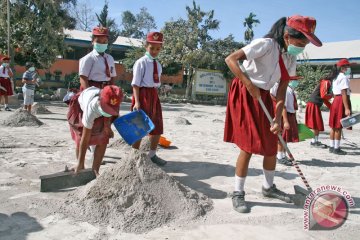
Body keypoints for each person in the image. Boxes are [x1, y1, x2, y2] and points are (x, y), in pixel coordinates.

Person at [224, 15, 322, 213]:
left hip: (265, 96)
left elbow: (282, 88)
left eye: (305, 43)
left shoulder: (290, 57)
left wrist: (277, 118)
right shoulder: (265, 44)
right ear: (287, 36)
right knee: (249, 145)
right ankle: (238, 192)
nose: (302, 46)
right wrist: (248, 84)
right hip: (245, 92)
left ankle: (268, 187)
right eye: (301, 41)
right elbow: (231, 60)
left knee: (271, 142)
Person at [67, 85, 123, 176]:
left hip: (100, 107)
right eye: (107, 109)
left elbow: (110, 113)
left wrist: (107, 126)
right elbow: (85, 138)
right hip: (81, 107)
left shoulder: (114, 102)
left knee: (103, 138)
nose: (109, 111)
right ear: (100, 101)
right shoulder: (92, 106)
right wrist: (80, 163)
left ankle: (95, 170)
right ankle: (80, 165)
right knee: (80, 136)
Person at [131, 32, 167, 166]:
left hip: (153, 95)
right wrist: (137, 101)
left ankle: (152, 154)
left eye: (158, 49)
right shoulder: (140, 62)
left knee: (157, 125)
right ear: (146, 46)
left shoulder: (158, 64)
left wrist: (156, 97)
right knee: (140, 126)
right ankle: (134, 155)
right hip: (142, 94)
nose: (154, 51)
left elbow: (156, 82)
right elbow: (135, 84)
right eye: (152, 48)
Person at [272, 80, 300, 166]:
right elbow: (283, 106)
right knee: (282, 138)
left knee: (286, 137)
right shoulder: (286, 90)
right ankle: (280, 156)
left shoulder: (289, 89)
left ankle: (283, 155)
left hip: (290, 114)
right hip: (285, 115)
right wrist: (285, 121)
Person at [305, 69, 335, 147]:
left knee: (317, 123)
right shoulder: (326, 82)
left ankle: (315, 141)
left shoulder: (324, 82)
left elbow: (323, 98)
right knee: (316, 124)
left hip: (313, 104)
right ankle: (314, 142)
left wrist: (331, 107)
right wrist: (332, 95)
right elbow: (324, 95)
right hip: (313, 104)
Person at [328, 59, 353, 155]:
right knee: (338, 126)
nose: (348, 68)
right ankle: (337, 148)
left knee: (333, 126)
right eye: (347, 67)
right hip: (340, 101)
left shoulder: (335, 77)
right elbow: (344, 93)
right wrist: (347, 108)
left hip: (335, 101)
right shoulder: (343, 77)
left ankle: (332, 146)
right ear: (343, 67)